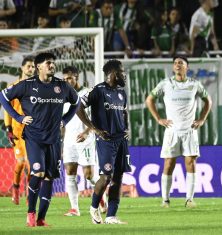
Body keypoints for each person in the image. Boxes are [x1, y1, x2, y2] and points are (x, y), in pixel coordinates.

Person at [0, 52, 80, 227]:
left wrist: (64, 120)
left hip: (54, 139)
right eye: (48, 63)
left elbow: (77, 102)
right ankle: (30, 214)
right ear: (39, 67)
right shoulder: (27, 85)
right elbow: (3, 97)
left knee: (50, 178)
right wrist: (18, 118)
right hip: (34, 138)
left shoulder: (62, 86)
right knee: (38, 172)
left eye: (53, 63)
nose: (52, 65)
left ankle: (41, 219)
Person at [145, 56, 212, 207]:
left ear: (187, 67)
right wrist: (158, 119)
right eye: (175, 63)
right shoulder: (165, 84)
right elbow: (149, 99)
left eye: (180, 63)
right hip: (172, 130)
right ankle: (165, 200)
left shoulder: (194, 84)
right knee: (168, 164)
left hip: (189, 130)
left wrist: (202, 119)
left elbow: (208, 100)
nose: (177, 65)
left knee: (191, 163)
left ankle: (189, 199)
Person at [77, 59, 131, 224]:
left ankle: (111, 216)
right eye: (122, 71)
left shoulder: (122, 92)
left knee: (118, 178)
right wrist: (93, 128)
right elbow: (79, 107)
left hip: (121, 139)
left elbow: (123, 112)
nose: (124, 75)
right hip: (105, 140)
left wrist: (126, 128)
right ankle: (94, 207)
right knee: (106, 177)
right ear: (113, 73)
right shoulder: (98, 90)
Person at [61, 66, 100, 216]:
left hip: (86, 139)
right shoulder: (63, 96)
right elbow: (64, 121)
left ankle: (101, 197)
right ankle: (74, 208)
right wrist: (62, 142)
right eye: (64, 79)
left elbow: (97, 117)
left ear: (76, 77)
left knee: (89, 175)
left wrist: (87, 131)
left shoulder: (88, 93)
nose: (67, 81)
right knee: (70, 173)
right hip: (69, 140)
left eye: (69, 78)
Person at [4, 56, 35, 205]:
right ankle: (16, 188)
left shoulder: (36, 87)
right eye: (28, 66)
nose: (31, 69)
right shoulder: (13, 86)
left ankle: (30, 193)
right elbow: (6, 108)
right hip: (17, 131)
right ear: (22, 68)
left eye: (33, 67)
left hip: (32, 131)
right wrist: (8, 128)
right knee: (21, 163)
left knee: (31, 164)